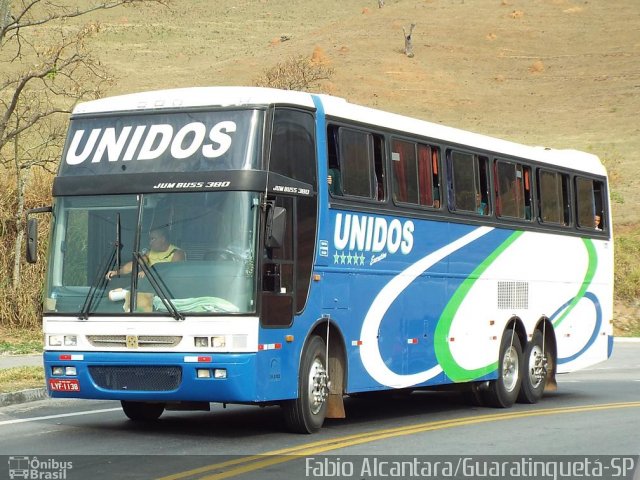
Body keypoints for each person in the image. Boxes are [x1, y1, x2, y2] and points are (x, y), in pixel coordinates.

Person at [106, 225, 185, 279]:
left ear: (162, 239)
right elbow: (135, 265)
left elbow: (174, 274)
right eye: (150, 239)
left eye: (153, 239)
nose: (150, 242)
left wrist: (149, 272)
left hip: (166, 292)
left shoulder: (177, 253)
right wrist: (116, 272)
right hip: (150, 288)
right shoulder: (150, 252)